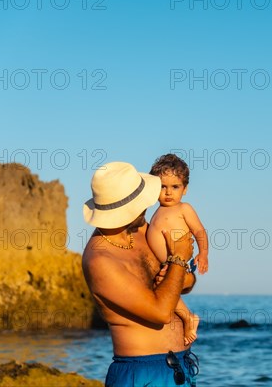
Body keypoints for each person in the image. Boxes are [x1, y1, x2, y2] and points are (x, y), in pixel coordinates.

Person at [82, 162, 199, 386]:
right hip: (141, 373)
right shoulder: (101, 260)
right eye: (141, 202)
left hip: (180, 367)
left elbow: (185, 282)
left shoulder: (143, 230)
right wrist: (178, 258)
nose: (149, 206)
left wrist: (183, 274)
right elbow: (160, 312)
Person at [147, 154, 209, 346]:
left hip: (180, 262)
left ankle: (189, 318)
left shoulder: (184, 209)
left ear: (185, 189)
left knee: (165, 290)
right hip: (166, 264)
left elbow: (199, 231)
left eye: (175, 187)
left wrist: (203, 253)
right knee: (162, 292)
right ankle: (181, 324)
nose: (168, 192)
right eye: (162, 186)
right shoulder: (156, 213)